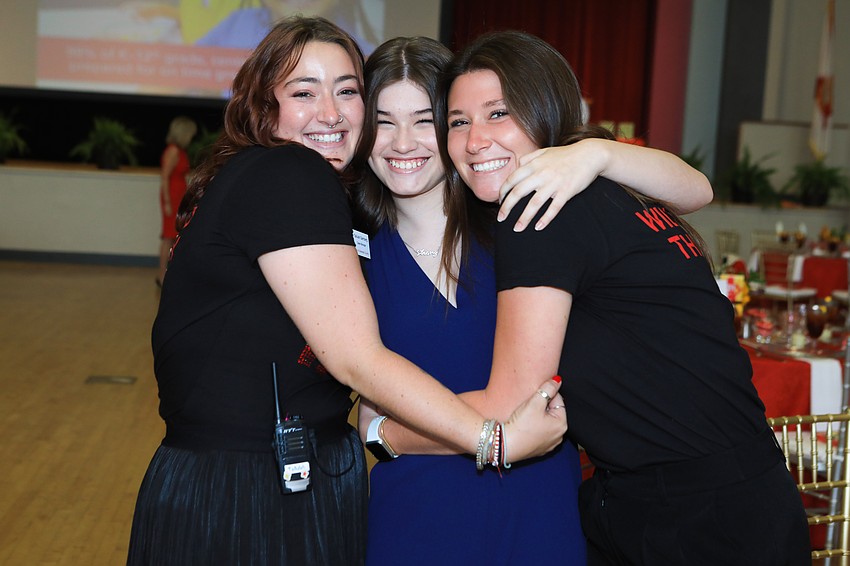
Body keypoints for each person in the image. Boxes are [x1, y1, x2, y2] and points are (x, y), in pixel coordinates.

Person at [126, 17, 566, 566]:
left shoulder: (326, 212)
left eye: (346, 91)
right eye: (303, 92)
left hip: (281, 480)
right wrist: (492, 439)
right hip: (257, 491)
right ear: (265, 106)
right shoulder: (292, 177)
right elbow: (359, 364)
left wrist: (594, 155)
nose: (330, 113)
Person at [440, 30, 810, 565]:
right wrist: (595, 152)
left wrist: (388, 430)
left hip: (696, 519)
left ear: (544, 109)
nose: (475, 140)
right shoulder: (612, 189)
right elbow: (699, 190)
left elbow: (512, 403)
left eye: (498, 113)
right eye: (458, 121)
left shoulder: (540, 211)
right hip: (731, 494)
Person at [351, 37, 715, 565]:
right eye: (383, 121)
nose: (402, 142)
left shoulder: (525, 220)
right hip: (417, 517)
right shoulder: (352, 255)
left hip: (540, 508)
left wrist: (386, 432)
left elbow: (696, 191)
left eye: (425, 120)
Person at [157, 115, 197, 287]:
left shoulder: (180, 151)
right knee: (168, 237)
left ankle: (169, 274)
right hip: (171, 197)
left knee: (174, 236)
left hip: (178, 195)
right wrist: (166, 202)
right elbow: (164, 177)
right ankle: (161, 276)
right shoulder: (172, 151)